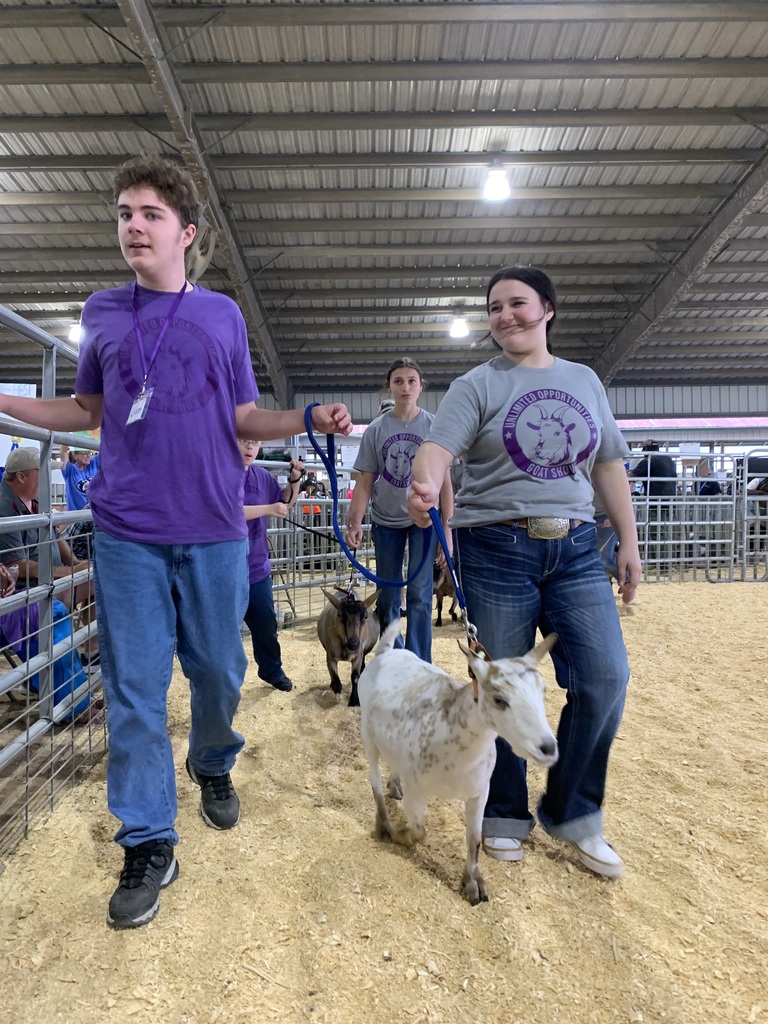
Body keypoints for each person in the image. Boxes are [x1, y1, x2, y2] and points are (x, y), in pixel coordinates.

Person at [0, 154, 352, 930]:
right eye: (125, 212)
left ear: (185, 233)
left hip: (216, 529)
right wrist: (7, 399)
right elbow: (86, 408)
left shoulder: (221, 316)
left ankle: (213, 760)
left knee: (221, 671)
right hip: (126, 530)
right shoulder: (101, 311)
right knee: (132, 691)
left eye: (150, 214)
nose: (133, 224)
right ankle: (149, 837)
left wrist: (307, 417)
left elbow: (242, 420)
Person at [408, 266, 641, 879]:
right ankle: (506, 810)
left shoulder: (584, 380)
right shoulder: (474, 384)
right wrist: (425, 480)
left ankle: (574, 811)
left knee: (605, 676)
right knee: (502, 688)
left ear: (548, 310)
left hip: (577, 549)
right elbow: (438, 449)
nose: (505, 315)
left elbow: (609, 464)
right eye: (494, 307)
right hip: (497, 548)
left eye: (517, 303)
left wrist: (630, 541)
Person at [346, 357, 453, 663]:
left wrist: (447, 528)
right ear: (389, 386)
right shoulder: (376, 430)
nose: (405, 387)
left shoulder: (435, 426)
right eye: (398, 381)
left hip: (424, 520)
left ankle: (420, 662)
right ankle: (395, 657)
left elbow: (445, 482)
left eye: (411, 381)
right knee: (389, 595)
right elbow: (365, 480)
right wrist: (355, 519)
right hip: (385, 520)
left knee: (420, 595)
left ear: (421, 386)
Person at [0, 447, 99, 662]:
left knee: (95, 574)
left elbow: (56, 537)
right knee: (97, 579)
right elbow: (17, 564)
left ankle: (92, 653)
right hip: (26, 589)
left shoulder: (35, 501)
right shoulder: (4, 506)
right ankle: (88, 656)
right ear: (22, 476)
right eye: (41, 471)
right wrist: (69, 571)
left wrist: (75, 563)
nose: (46, 476)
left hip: (47, 581)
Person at [240, 439, 303, 692]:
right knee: (224, 633)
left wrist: (295, 481)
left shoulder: (262, 477)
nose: (250, 447)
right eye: (244, 441)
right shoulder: (219, 471)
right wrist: (268, 508)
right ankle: (226, 684)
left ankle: (271, 670)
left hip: (256, 566)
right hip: (223, 567)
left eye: (254, 442)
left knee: (266, 624)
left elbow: (285, 502)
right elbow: (226, 510)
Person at [630, 442, 677, 564]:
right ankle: (662, 563)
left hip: (656, 500)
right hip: (670, 500)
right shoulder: (668, 459)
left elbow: (633, 475)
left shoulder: (650, 459)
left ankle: (662, 565)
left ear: (646, 450)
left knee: (656, 532)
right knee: (665, 532)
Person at [59, 434, 100, 511]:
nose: (88, 456)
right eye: (84, 453)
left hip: (92, 515)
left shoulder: (93, 464)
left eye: (89, 453)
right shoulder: (70, 470)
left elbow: (106, 449)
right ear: (75, 455)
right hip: (76, 517)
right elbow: (63, 451)